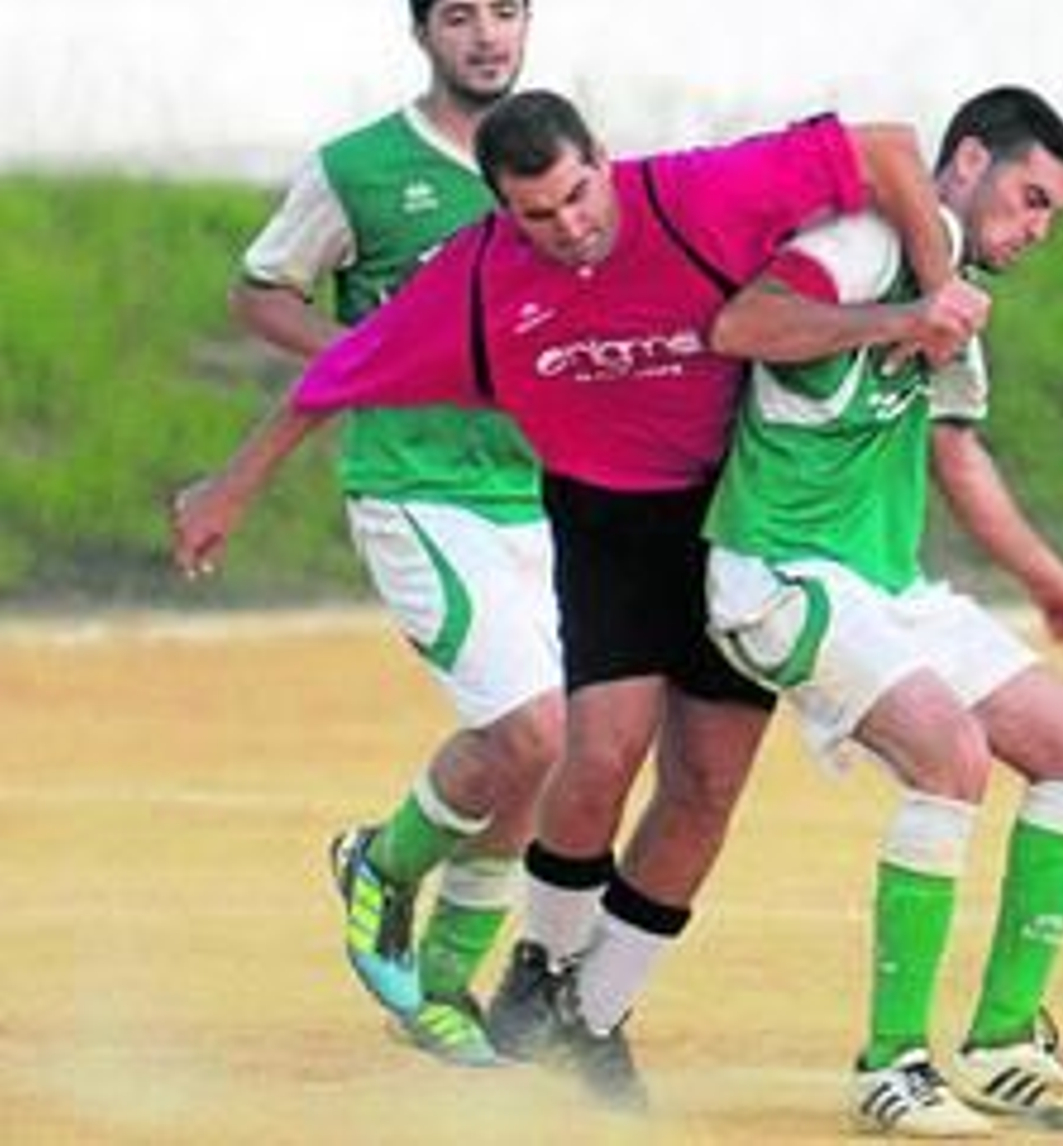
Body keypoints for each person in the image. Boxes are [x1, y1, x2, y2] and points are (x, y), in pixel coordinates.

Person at [256, 88, 985, 1107]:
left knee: (705, 787)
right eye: (538, 214)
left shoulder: (695, 195)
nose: (568, 225)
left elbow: (889, 148)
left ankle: (593, 1018)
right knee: (599, 752)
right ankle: (538, 972)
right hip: (608, 523)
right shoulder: (478, 274)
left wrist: (940, 292)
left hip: (734, 520)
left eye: (577, 195)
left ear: (601, 159)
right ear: (502, 211)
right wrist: (232, 487)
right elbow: (349, 367)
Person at [701, 86, 1063, 1137]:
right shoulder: (863, 246)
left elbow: (955, 453)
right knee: (951, 757)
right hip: (778, 575)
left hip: (886, 588)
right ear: (969, 161)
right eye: (1030, 199)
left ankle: (1004, 1042)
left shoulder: (957, 296)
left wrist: (1047, 578)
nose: (1036, 229)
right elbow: (740, 324)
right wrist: (904, 315)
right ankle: (890, 1065)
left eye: (1051, 215)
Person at [170, 0, 561, 1067]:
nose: (487, 36)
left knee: (546, 756)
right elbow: (261, 292)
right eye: (461, 16)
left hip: (540, 493)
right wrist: (372, 352)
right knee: (529, 730)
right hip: (413, 487)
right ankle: (382, 866)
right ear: (422, 32)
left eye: (507, 12)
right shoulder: (359, 170)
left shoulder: (557, 163)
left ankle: (441, 992)